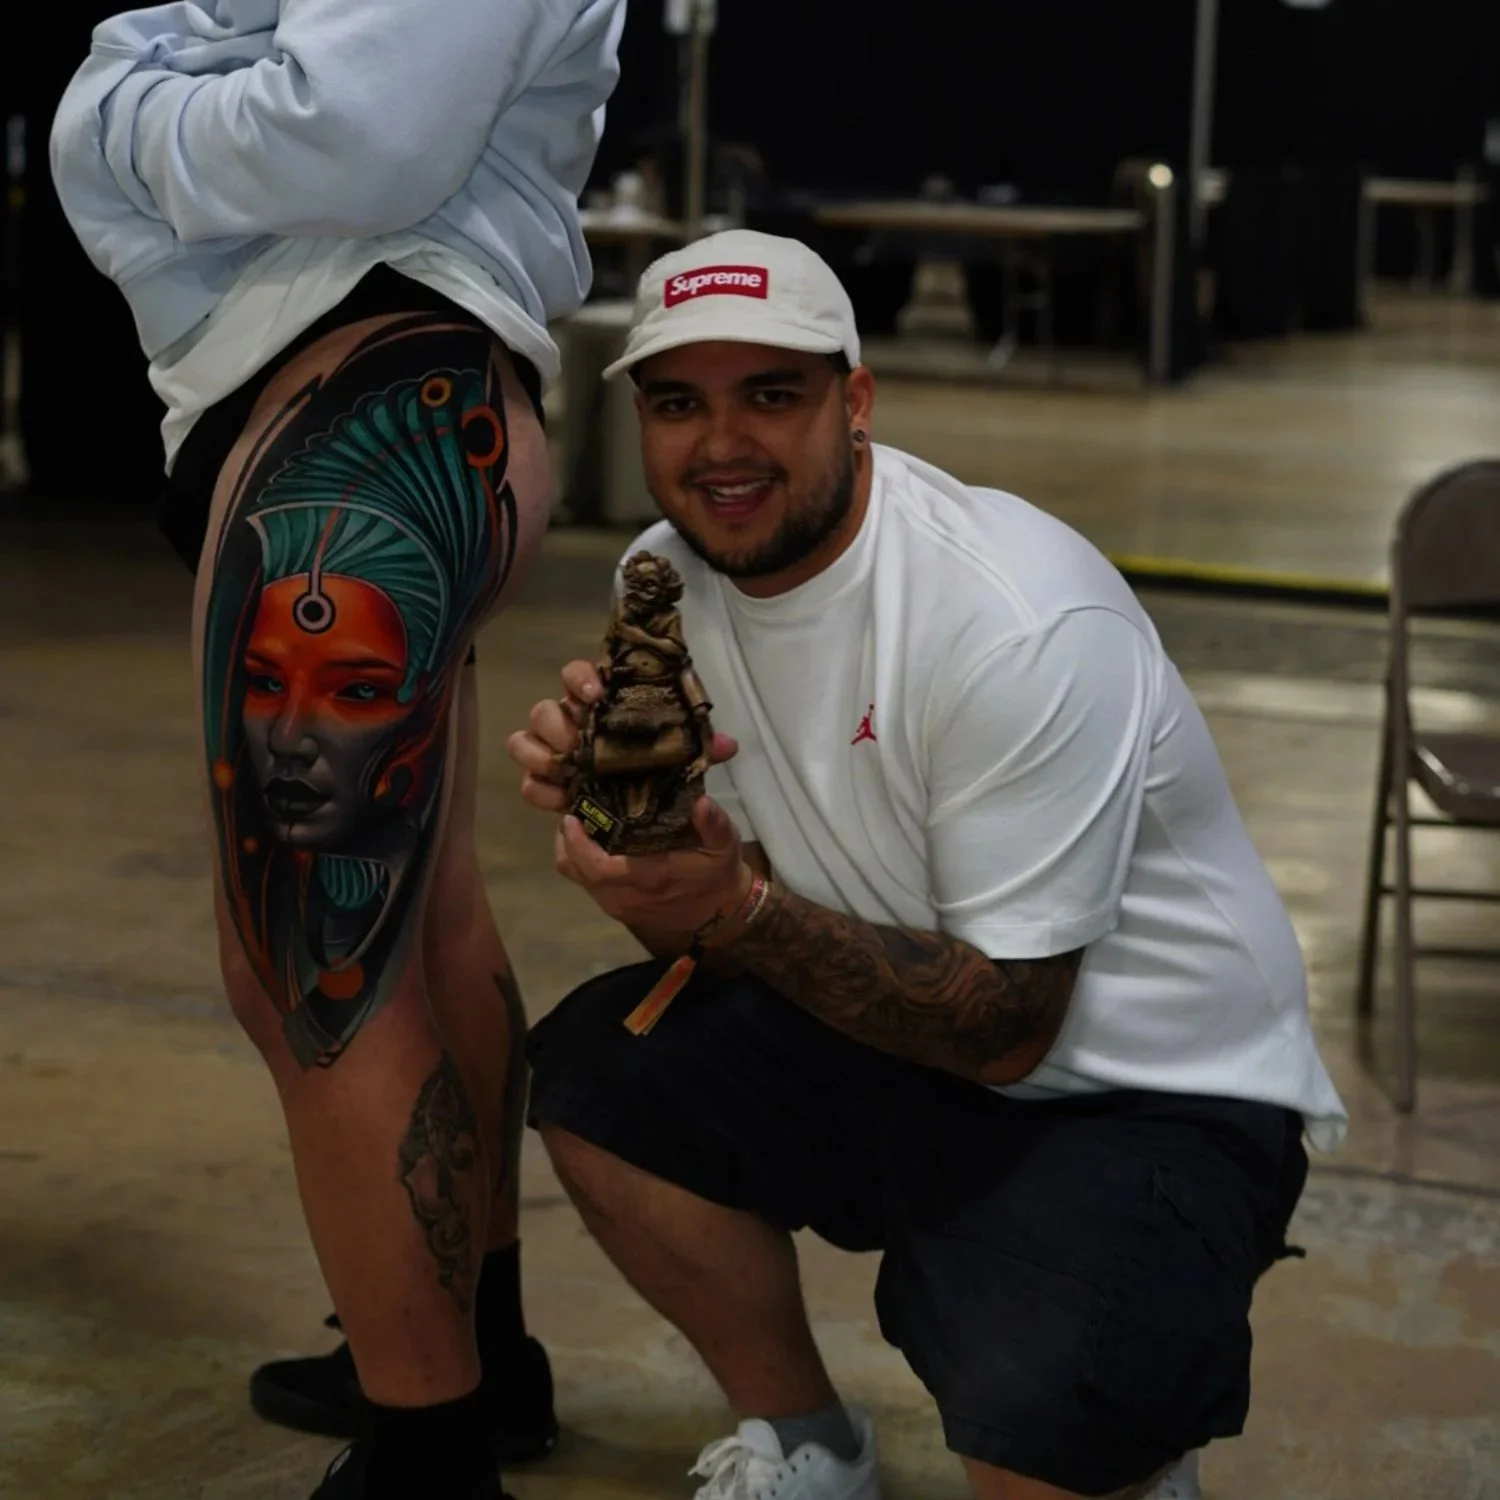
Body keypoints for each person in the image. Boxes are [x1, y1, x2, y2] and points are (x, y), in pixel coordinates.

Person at [506, 229, 1348, 1500]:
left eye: (770, 395)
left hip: (1138, 1089)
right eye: (679, 404)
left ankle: (1111, 1423)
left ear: (855, 401)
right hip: (902, 1029)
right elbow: (720, 942)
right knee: (596, 1075)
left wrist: (730, 905)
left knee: (1040, 1407)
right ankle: (808, 1446)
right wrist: (652, 859)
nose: (719, 445)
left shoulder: (1010, 617)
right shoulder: (668, 583)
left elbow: (1009, 1024)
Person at [49, 2, 626, 1496]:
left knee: (317, 971)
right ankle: (471, 1358)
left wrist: (106, 122)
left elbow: (350, 131)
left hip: (359, 408)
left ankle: (427, 1454)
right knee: (419, 924)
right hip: (387, 410)